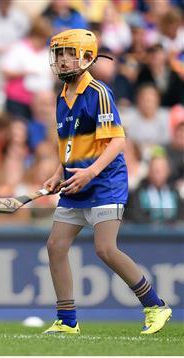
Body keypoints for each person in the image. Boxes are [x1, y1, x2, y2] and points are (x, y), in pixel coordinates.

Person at [41, 29, 172, 335]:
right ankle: (68, 321)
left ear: (86, 57)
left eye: (68, 53)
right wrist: (58, 174)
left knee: (105, 248)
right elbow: (71, 147)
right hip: (77, 182)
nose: (61, 60)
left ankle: (155, 305)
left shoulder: (98, 93)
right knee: (56, 245)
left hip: (106, 181)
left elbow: (117, 142)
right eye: (58, 54)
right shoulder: (61, 96)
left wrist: (90, 173)